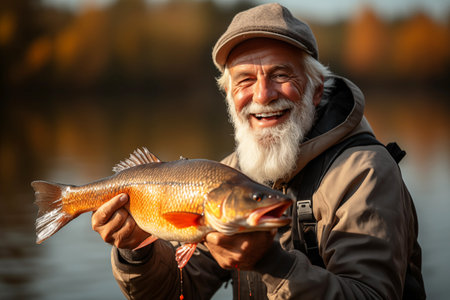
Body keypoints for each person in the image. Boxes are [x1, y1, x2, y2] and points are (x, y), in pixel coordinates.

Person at [91, 3, 425, 299]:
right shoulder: (227, 174)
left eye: (281, 75)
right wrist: (138, 253)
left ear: (316, 91)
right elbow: (178, 291)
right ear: (229, 97)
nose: (262, 95)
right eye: (245, 81)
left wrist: (269, 262)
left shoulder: (364, 171)